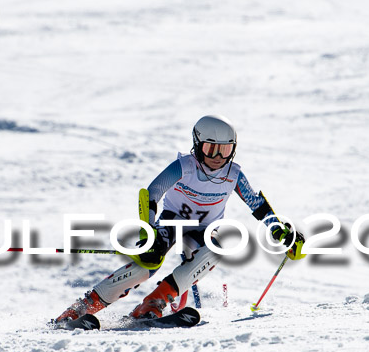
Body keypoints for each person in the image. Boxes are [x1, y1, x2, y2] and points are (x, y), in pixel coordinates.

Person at [54, 115, 305, 324]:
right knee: (146, 264)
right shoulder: (184, 165)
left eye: (225, 150)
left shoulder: (234, 174)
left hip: (205, 229)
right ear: (197, 144)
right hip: (172, 222)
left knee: (215, 251)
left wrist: (280, 231)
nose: (218, 157)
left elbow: (257, 205)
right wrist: (148, 234)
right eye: (211, 148)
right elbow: (152, 193)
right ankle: (82, 308)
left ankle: (154, 303)